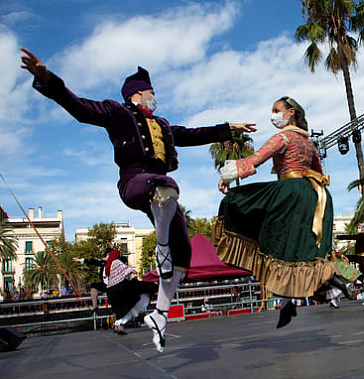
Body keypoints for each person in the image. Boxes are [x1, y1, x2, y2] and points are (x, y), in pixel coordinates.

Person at [20, 48, 256, 352]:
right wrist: (48, 79)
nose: (154, 97)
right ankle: (161, 245)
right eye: (151, 93)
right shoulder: (117, 113)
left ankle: (159, 313)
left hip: (162, 191)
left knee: (183, 253)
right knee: (164, 185)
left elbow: (193, 133)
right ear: (137, 95)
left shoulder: (164, 125)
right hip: (134, 182)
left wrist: (228, 129)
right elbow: (79, 108)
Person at [213, 96, 338, 328]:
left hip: (290, 192)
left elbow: (258, 158)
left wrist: (228, 175)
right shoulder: (308, 143)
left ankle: (291, 300)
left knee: (262, 226)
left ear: (290, 112)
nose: (273, 115)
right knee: (298, 248)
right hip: (314, 194)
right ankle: (296, 298)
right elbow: (318, 170)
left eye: (276, 110)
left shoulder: (284, 137)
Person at [103, 249, 157, 335]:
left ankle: (120, 326)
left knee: (119, 309)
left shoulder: (108, 264)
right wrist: (133, 272)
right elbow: (128, 270)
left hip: (111, 290)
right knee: (137, 288)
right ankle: (154, 287)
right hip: (119, 287)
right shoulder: (117, 262)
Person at [336, 223, 364, 305]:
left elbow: (351, 237)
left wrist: (339, 237)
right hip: (362, 257)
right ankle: (363, 287)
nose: (358, 229)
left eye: (359, 228)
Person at [73, 248, 112, 313]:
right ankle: (95, 306)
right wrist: (81, 260)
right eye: (106, 255)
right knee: (93, 286)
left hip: (114, 285)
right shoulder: (103, 263)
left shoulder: (116, 263)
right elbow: (94, 262)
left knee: (115, 305)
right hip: (105, 284)